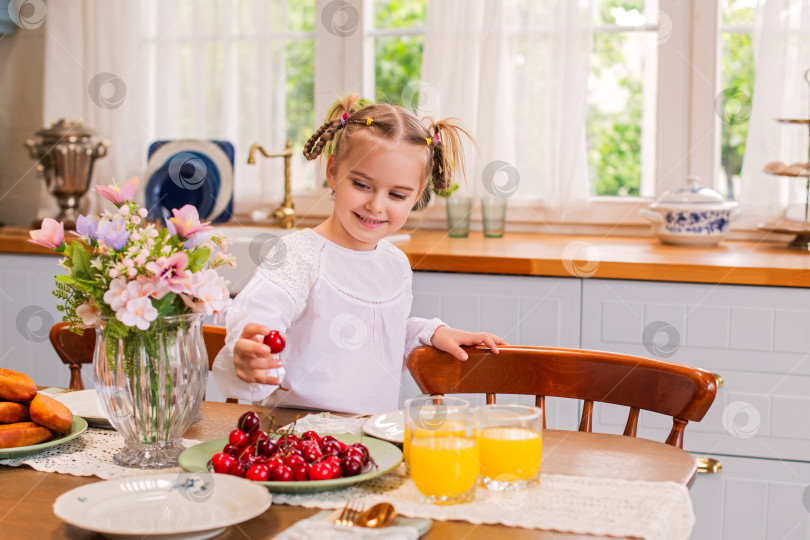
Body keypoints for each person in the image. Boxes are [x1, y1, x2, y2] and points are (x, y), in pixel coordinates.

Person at [213, 95, 505, 414]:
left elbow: (374, 337)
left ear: (417, 196)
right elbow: (261, 313)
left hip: (371, 439)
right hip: (299, 436)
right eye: (362, 184)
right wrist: (249, 349)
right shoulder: (299, 255)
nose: (376, 205)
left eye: (396, 194)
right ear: (333, 171)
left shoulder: (396, 264)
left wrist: (429, 332)